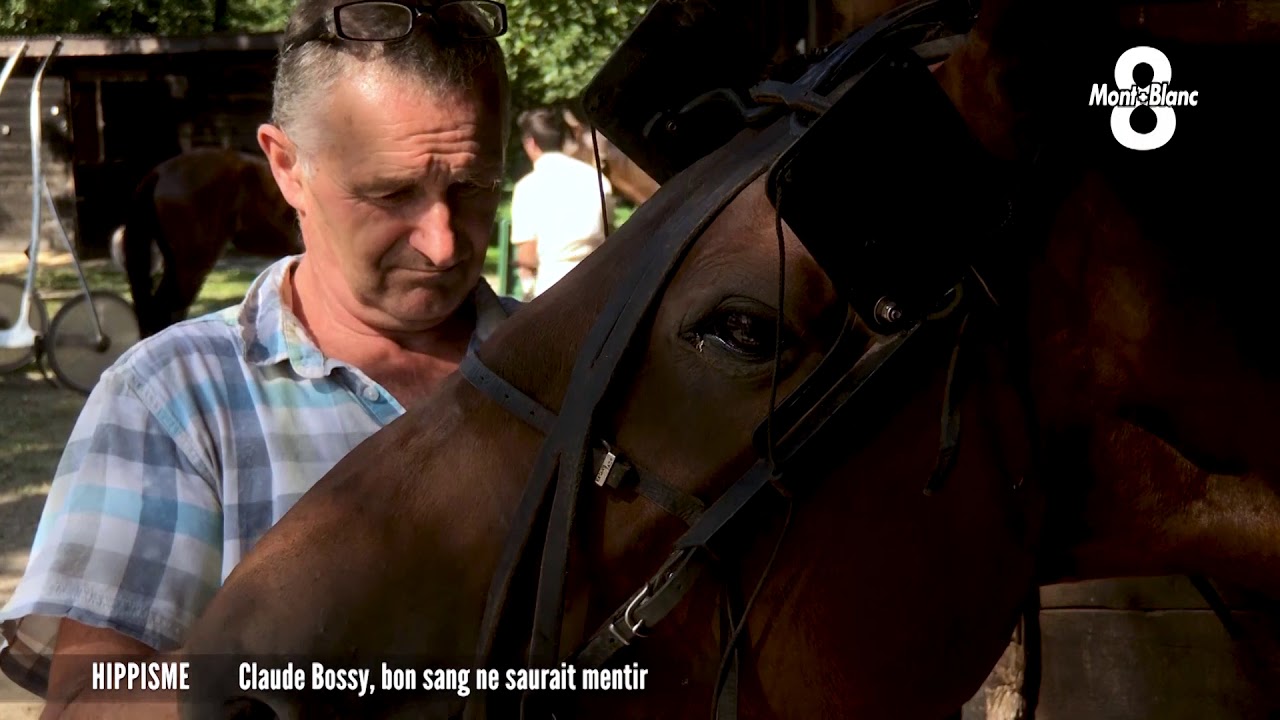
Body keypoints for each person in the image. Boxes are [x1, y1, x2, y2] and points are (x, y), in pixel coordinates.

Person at [0, 0, 515, 715]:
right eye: (392, 192)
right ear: (287, 166)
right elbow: (89, 703)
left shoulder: (577, 364)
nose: (444, 242)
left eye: (473, 187)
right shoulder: (169, 397)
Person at [510, 107, 614, 298]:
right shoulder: (598, 179)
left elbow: (527, 256)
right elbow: (610, 236)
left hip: (552, 291)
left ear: (531, 143)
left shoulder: (528, 187)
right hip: (599, 286)